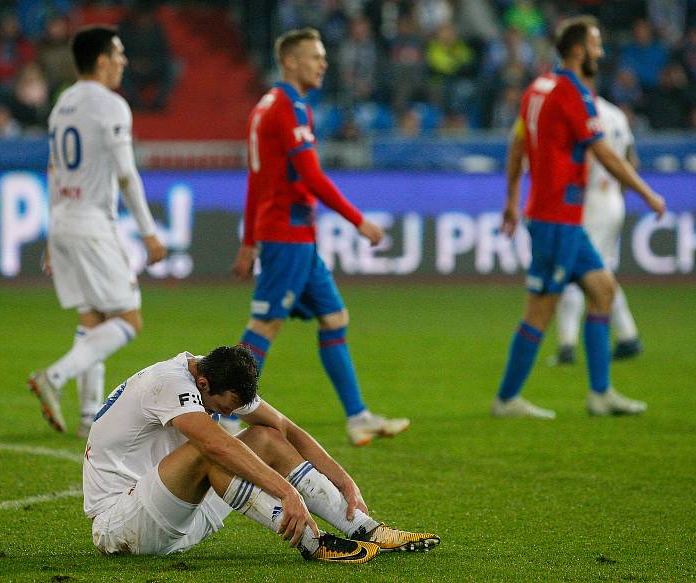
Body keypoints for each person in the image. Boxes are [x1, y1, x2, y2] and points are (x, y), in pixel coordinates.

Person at [83, 344, 439, 560]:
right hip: (121, 524)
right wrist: (286, 492)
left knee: (266, 436)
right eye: (223, 408)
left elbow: (285, 427)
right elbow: (215, 444)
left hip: (177, 517)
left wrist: (342, 478)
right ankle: (312, 543)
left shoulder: (215, 371)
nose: (224, 413)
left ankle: (365, 528)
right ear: (203, 385)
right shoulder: (166, 382)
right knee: (212, 448)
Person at [231, 28, 408, 446]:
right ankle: (220, 414)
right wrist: (357, 220)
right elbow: (311, 175)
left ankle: (358, 417)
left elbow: (256, 179)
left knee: (334, 318)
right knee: (266, 324)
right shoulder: (290, 106)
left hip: (293, 236)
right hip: (287, 234)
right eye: (315, 56)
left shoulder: (265, 107)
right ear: (290, 62)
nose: (323, 63)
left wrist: (249, 240)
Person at [494, 15, 666, 419]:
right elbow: (605, 154)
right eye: (595, 44)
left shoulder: (537, 88)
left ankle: (600, 394)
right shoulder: (572, 93)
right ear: (577, 50)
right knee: (540, 309)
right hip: (556, 219)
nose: (600, 52)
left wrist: (513, 198)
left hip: (562, 218)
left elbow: (517, 144)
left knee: (603, 290)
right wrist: (648, 193)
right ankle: (507, 399)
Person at [28, 26, 167, 437]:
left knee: (93, 319)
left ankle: (90, 415)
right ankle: (54, 376)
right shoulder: (110, 105)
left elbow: (54, 171)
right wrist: (149, 232)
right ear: (103, 60)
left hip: (64, 220)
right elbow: (126, 174)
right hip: (92, 223)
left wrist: (52, 235)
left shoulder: (62, 104)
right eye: (119, 54)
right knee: (128, 319)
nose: (124, 61)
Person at [551, 90, 643, 366]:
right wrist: (618, 194)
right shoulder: (616, 114)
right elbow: (631, 161)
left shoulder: (581, 115)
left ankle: (567, 344)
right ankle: (628, 336)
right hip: (613, 198)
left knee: (571, 269)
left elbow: (579, 163)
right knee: (601, 271)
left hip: (586, 201)